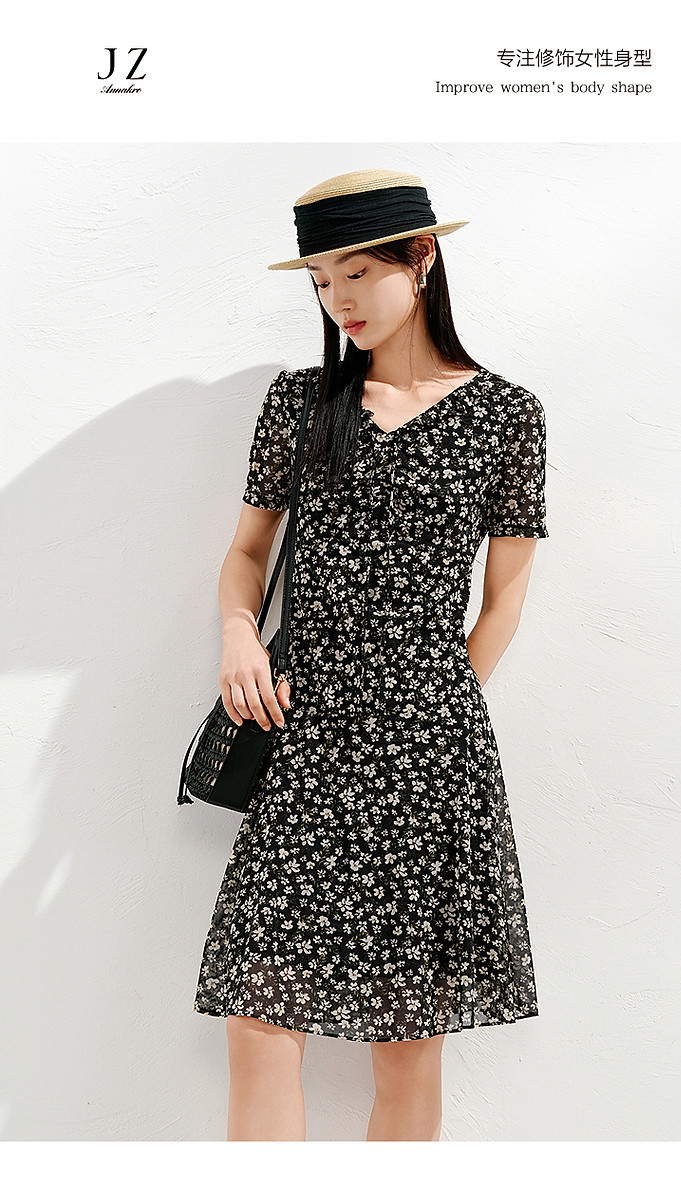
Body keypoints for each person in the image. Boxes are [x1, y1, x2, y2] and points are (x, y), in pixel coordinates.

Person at [191, 167, 549, 1141]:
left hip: (430, 749)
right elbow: (248, 552)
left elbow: (504, 598)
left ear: (421, 257)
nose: (336, 300)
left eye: (356, 273)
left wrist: (432, 707)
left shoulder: (505, 416)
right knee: (261, 1018)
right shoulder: (300, 402)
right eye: (320, 281)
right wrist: (237, 633)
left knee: (406, 1037)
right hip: (307, 735)